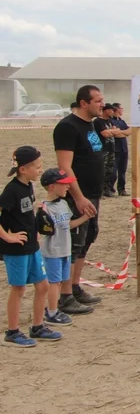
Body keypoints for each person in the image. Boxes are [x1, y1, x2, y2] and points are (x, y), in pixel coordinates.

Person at [1, 146, 63, 347]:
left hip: (32, 246)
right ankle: (12, 331)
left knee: (43, 285)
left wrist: (36, 226)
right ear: (23, 169)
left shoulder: (28, 186)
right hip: (16, 249)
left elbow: (23, 213)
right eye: (37, 167)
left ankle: (37, 326)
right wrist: (8, 237)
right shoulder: (11, 190)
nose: (40, 170)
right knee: (18, 289)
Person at [53, 85, 105, 312]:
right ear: (83, 103)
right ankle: (64, 296)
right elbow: (64, 167)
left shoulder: (90, 124)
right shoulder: (67, 127)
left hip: (93, 194)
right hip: (78, 196)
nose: (101, 104)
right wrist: (79, 197)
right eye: (97, 101)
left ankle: (74, 286)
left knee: (87, 239)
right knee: (72, 244)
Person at [39, 168, 92, 326]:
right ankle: (52, 312)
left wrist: (85, 217)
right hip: (53, 251)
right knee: (54, 282)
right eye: (63, 184)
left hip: (65, 250)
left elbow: (68, 225)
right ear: (52, 187)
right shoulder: (44, 208)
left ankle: (54, 309)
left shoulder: (63, 204)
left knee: (61, 280)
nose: (68, 187)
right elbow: (43, 230)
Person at [94, 103, 117, 197]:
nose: (113, 112)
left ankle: (106, 189)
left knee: (109, 170)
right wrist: (113, 131)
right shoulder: (98, 121)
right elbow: (105, 134)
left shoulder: (110, 121)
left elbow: (119, 132)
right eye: (111, 110)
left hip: (111, 148)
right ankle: (99, 190)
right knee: (101, 170)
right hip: (102, 149)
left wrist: (113, 131)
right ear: (106, 110)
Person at [110, 103, 131, 196]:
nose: (122, 110)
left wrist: (120, 132)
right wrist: (122, 133)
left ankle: (121, 189)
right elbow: (115, 134)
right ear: (116, 109)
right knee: (113, 171)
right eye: (121, 108)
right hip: (115, 149)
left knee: (122, 171)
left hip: (124, 148)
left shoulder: (122, 121)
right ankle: (110, 189)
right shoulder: (110, 121)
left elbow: (129, 131)